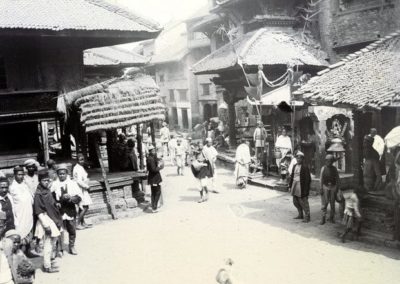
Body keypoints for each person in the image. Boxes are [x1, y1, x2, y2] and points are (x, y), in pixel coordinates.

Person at [33, 169, 63, 273]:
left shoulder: (47, 190)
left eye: (48, 180)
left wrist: (56, 204)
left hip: (52, 217)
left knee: (53, 242)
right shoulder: (38, 194)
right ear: (40, 181)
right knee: (48, 243)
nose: (46, 182)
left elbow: (50, 202)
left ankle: (49, 261)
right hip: (45, 219)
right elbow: (39, 211)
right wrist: (46, 226)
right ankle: (47, 266)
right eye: (44, 180)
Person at [52, 164, 82, 255]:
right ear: (57, 174)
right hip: (59, 210)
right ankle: (58, 249)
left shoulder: (72, 184)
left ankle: (71, 246)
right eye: (60, 174)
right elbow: (51, 197)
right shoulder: (54, 184)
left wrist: (71, 198)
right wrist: (56, 202)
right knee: (58, 230)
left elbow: (79, 197)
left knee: (71, 229)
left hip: (70, 209)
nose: (62, 176)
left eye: (63, 174)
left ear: (67, 174)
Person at [8, 167, 33, 253]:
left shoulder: (25, 185)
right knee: (20, 231)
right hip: (19, 213)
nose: (21, 177)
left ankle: (28, 250)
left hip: (28, 212)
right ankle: (19, 252)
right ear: (14, 175)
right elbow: (11, 202)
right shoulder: (12, 188)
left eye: (22, 174)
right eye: (19, 175)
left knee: (29, 229)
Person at [289, 151, 311, 223]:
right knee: (295, 201)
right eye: (297, 158)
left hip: (301, 186)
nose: (298, 160)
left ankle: (307, 217)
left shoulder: (305, 167)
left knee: (303, 202)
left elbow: (308, 179)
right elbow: (292, 176)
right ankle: (300, 214)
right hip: (294, 185)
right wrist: (290, 185)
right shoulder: (295, 166)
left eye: (300, 158)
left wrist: (306, 190)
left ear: (302, 159)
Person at [73, 154, 93, 230]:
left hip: (83, 188)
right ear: (77, 160)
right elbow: (79, 181)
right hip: (80, 189)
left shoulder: (80, 167)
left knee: (83, 207)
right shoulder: (77, 168)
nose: (82, 161)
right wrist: (87, 187)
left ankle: (83, 223)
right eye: (80, 159)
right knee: (85, 207)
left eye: (83, 159)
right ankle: (78, 224)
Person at [319, 154, 340, 225]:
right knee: (324, 203)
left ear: (332, 161)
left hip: (333, 187)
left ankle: (331, 217)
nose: (329, 162)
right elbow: (321, 179)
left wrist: (337, 187)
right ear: (326, 161)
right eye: (327, 160)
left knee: (332, 203)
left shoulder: (334, 169)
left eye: (330, 161)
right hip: (325, 187)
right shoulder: (323, 168)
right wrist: (321, 188)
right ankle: (323, 218)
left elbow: (337, 179)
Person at [147, 145, 163, 213]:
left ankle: (154, 206)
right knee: (157, 192)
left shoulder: (150, 157)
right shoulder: (150, 159)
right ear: (150, 151)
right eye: (153, 150)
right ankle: (154, 207)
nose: (154, 151)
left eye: (154, 150)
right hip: (154, 178)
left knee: (154, 192)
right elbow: (153, 169)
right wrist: (159, 167)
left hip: (153, 178)